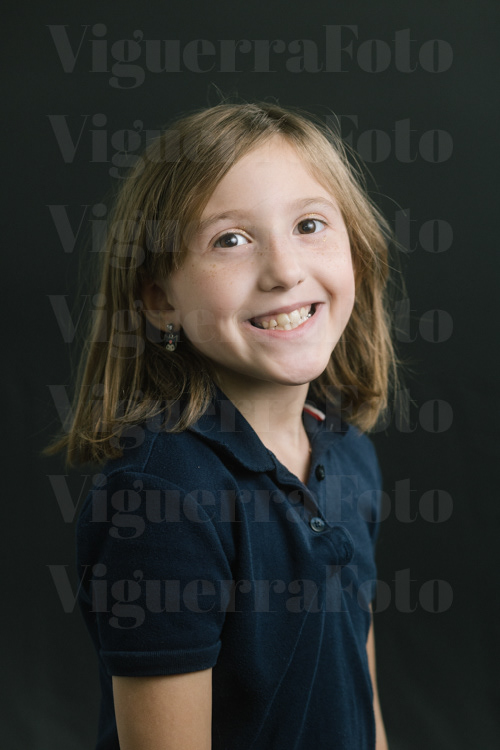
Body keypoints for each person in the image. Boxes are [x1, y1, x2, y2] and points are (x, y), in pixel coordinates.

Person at [52, 102, 395, 749]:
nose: (285, 271)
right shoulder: (160, 499)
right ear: (160, 300)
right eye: (230, 240)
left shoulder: (348, 451)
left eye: (310, 225)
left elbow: (358, 683)